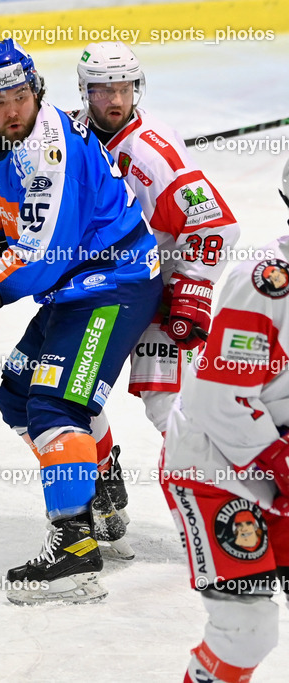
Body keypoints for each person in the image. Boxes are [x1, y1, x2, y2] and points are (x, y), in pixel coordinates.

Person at [0, 39, 162, 604]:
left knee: (57, 404)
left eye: (20, 95)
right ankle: (99, 479)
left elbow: (41, 252)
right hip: (73, 286)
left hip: (115, 281)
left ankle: (75, 549)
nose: (12, 109)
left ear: (37, 91)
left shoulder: (50, 150)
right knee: (16, 394)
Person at [68, 42, 241, 548]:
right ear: (86, 92)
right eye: (103, 90)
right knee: (72, 394)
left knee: (169, 409)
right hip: (97, 289)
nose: (115, 99)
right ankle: (103, 478)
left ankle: (221, 516)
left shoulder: (151, 155)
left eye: (124, 88)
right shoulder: (74, 136)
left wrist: (190, 288)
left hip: (157, 295)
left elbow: (216, 226)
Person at [161, 158, 289, 683]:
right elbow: (219, 397)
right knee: (247, 628)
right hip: (216, 466)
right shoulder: (267, 283)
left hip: (274, 456)